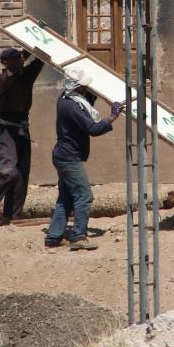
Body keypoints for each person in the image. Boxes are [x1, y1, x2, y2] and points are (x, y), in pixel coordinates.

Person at [45, 67, 123, 251]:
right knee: (84, 195)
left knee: (66, 197)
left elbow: (86, 103)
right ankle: (79, 236)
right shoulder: (72, 106)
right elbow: (93, 129)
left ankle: (54, 237)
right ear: (76, 87)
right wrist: (113, 116)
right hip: (69, 157)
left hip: (63, 155)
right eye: (83, 86)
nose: (86, 89)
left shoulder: (67, 98)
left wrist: (93, 93)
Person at [0, 47, 44, 223]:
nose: (19, 63)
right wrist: (21, 60)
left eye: (20, 60)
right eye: (14, 60)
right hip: (6, 129)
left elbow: (41, 60)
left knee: (22, 175)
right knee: (10, 172)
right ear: (5, 63)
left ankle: (12, 217)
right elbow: (7, 81)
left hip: (22, 128)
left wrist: (34, 47)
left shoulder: (26, 76)